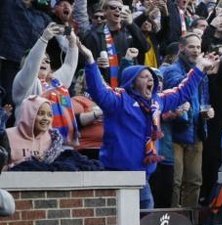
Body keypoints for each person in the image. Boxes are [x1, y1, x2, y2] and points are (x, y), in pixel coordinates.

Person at [79, 40, 214, 210]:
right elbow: (98, 90)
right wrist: (91, 61)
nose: (150, 79)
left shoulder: (158, 101)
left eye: (151, 77)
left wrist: (200, 68)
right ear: (132, 82)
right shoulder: (119, 101)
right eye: (144, 77)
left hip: (143, 179)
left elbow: (182, 92)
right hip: (117, 176)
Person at [162, 33, 212, 212]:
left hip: (197, 131)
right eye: (192, 47)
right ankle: (173, 221)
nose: (196, 51)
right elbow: (179, 87)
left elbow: (203, 98)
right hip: (176, 132)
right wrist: (197, 70)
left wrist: (207, 111)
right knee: (176, 181)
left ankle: (190, 222)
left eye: (198, 47)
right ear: (181, 48)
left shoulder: (202, 72)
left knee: (194, 181)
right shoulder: (172, 70)